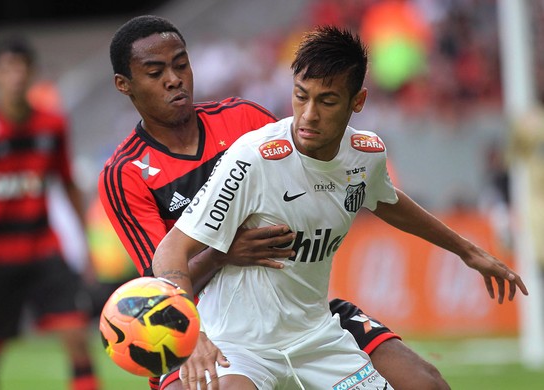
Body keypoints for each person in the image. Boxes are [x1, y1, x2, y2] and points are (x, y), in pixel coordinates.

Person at [151, 25, 529, 390]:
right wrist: (192, 331)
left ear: (357, 102)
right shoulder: (254, 158)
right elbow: (170, 251)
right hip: (241, 345)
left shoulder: (365, 154)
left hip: (316, 338)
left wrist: (469, 251)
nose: (309, 115)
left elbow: (388, 202)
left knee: (428, 385)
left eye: (327, 100)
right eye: (301, 96)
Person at [100, 15, 452, 390]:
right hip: (201, 328)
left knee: (425, 382)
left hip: (295, 310)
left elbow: (312, 171)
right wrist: (222, 253)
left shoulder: (244, 119)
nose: (174, 79)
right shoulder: (126, 173)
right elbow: (159, 285)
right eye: (155, 73)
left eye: (181, 65)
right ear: (125, 85)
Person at [0, 36, 99, 390]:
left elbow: (69, 183)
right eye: (7, 68)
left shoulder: (52, 125)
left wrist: (83, 242)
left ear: (32, 73)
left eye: (21, 67)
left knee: (76, 337)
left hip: (43, 249)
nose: (15, 75)